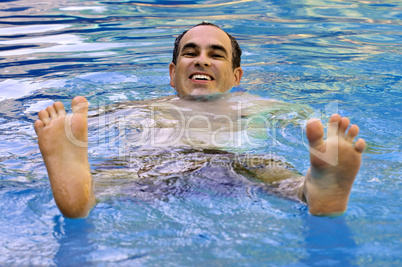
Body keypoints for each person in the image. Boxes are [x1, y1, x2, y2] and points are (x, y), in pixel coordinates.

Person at [34, 22, 366, 218]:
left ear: (236, 75)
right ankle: (80, 193)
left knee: (270, 166)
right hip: (152, 166)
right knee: (121, 169)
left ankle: (317, 189)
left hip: (236, 166)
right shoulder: (138, 107)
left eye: (215, 54)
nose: (201, 61)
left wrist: (338, 152)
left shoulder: (264, 106)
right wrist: (64, 140)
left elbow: (322, 135)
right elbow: (75, 128)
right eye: (190, 53)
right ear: (172, 72)